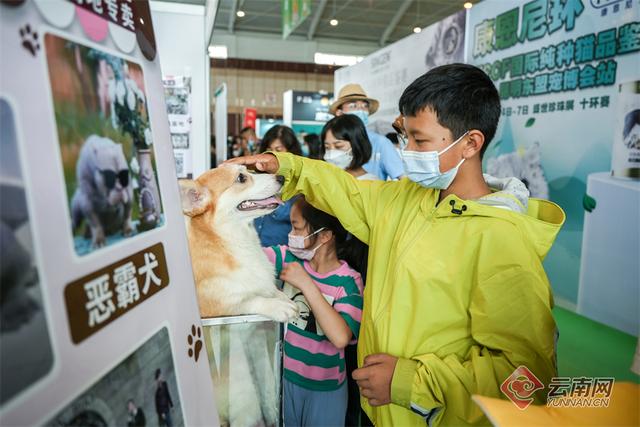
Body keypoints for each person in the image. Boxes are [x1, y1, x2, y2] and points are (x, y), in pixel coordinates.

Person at [227, 63, 565, 426]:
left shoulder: (502, 241)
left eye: (420, 141)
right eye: (406, 138)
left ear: (470, 143)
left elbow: (527, 377)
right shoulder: (406, 197)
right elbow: (346, 190)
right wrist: (287, 167)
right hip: (379, 411)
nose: (408, 151)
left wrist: (410, 382)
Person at [263, 197, 366, 427]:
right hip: (284, 379)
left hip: (326, 390)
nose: (291, 234)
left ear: (325, 235)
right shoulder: (287, 258)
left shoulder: (349, 281)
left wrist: (306, 284)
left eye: (297, 228)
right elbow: (247, 259)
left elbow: (340, 337)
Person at [330, 83, 403, 180]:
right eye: (353, 106)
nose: (361, 109)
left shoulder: (380, 143)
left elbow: (402, 177)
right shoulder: (330, 141)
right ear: (339, 113)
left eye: (365, 106)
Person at [254, 125, 302, 246]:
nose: (272, 155)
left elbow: (292, 215)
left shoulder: (300, 181)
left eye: (278, 150)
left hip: (282, 253)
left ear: (291, 152)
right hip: (255, 248)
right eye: (269, 149)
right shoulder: (259, 176)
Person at [322, 115, 380, 181]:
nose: (331, 154)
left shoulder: (369, 183)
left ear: (357, 145)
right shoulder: (328, 179)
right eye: (327, 147)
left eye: (338, 146)